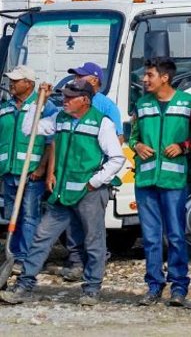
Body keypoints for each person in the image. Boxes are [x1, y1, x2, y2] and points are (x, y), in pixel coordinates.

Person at [1, 79, 124, 306]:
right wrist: (41, 101)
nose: (64, 101)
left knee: (94, 241)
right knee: (41, 237)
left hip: (89, 193)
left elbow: (117, 158)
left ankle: (92, 289)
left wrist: (95, 182)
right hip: (62, 194)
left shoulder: (102, 123)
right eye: (64, 96)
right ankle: (24, 285)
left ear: (85, 100)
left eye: (69, 97)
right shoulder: (60, 118)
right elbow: (29, 128)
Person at [129, 58, 191, 307]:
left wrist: (182, 146)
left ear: (164, 78)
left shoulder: (188, 103)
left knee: (177, 236)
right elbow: (132, 136)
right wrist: (137, 145)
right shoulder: (142, 104)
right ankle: (154, 286)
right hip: (146, 180)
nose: (144, 79)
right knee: (150, 237)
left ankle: (179, 286)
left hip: (174, 180)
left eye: (149, 75)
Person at [61, 61, 124, 284]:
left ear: (95, 79)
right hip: (73, 178)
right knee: (73, 224)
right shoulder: (71, 103)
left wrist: (99, 176)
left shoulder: (106, 106)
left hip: (94, 178)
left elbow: (118, 140)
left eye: (81, 76)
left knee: (92, 228)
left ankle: (94, 272)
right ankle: (76, 262)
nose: (76, 80)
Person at [0, 66, 56, 278]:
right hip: (9, 171)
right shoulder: (5, 107)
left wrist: (42, 167)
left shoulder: (44, 106)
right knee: (12, 214)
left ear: (29, 84)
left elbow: (51, 142)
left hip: (31, 173)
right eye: (11, 80)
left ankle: (25, 257)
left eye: (16, 81)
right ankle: (12, 254)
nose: (12, 84)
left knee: (30, 215)